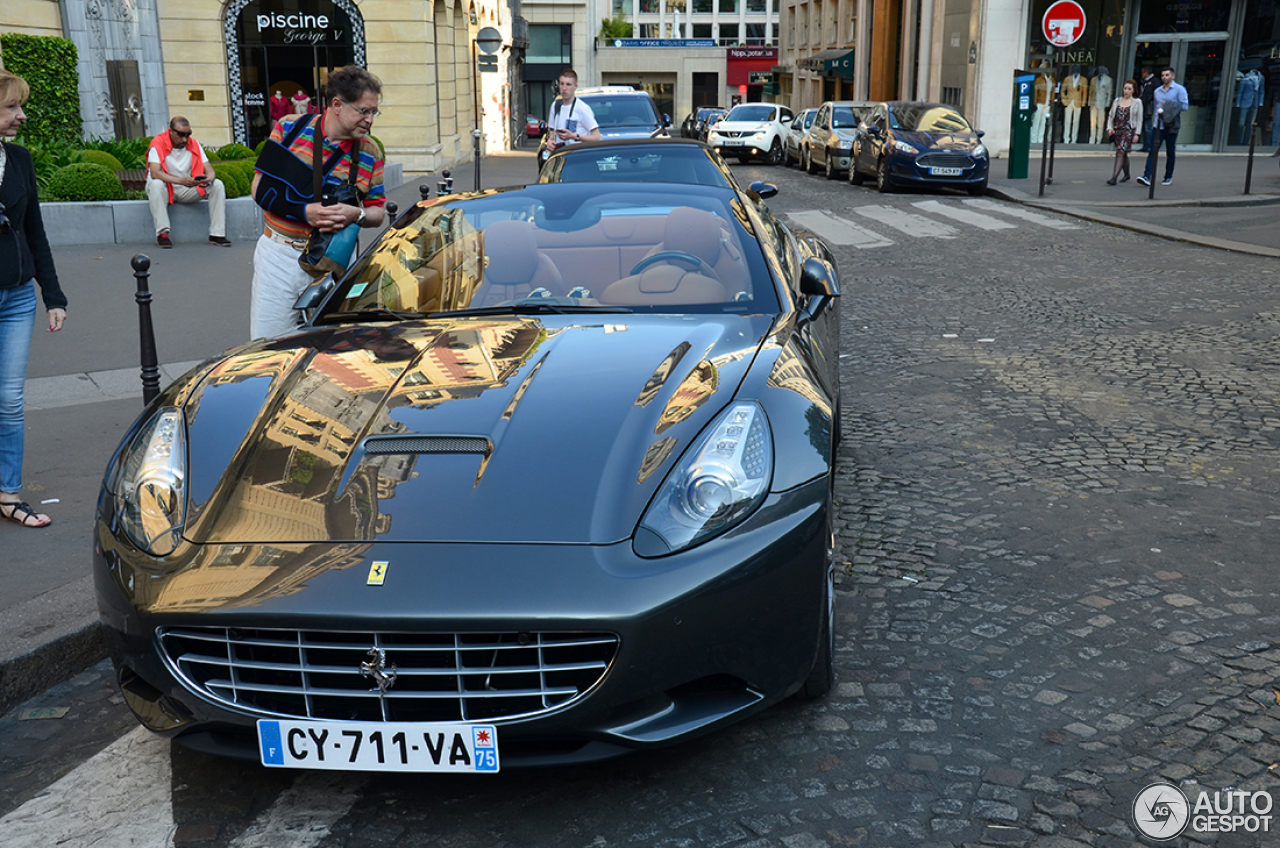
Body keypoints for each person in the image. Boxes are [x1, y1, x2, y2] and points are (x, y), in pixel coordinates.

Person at [250, 65, 387, 339]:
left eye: (374, 112)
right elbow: (259, 189)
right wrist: (303, 212)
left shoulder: (371, 152)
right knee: (268, 347)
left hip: (334, 262)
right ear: (337, 104)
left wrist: (356, 214)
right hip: (280, 256)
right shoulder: (289, 128)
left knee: (330, 349)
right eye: (364, 111)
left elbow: (377, 213)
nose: (370, 120)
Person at [0, 70, 67, 528]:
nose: (20, 115)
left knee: (9, 400)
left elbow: (35, 231)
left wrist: (53, 295)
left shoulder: (19, 159)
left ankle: (7, 494)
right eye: (11, 107)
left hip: (19, 296)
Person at [145, 117, 230, 248]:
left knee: (217, 185)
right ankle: (163, 234)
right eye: (181, 135)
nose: (185, 139)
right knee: (155, 184)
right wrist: (180, 181)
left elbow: (210, 171)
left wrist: (209, 179)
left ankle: (217, 234)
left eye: (188, 134)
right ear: (171, 132)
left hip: (186, 188)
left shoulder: (194, 144)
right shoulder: (158, 143)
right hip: (165, 189)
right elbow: (155, 173)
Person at [1138, 66, 1190, 187]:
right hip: (1158, 125)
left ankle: (1168, 176)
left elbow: (1185, 106)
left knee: (1170, 151)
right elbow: (1157, 109)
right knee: (1152, 151)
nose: (1164, 77)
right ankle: (1147, 176)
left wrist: (1169, 105)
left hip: (1171, 125)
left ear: (1173, 76)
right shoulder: (1157, 91)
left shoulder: (1179, 89)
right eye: (1162, 75)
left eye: (1167, 75)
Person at [544, 69, 602, 153]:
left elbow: (597, 138)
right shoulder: (555, 105)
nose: (564, 88)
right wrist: (550, 141)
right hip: (559, 155)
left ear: (575, 86)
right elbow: (552, 131)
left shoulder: (582, 108)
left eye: (568, 85)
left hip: (577, 156)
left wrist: (574, 136)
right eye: (562, 84)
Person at [1104, 79, 1143, 185]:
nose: (1126, 91)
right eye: (1125, 88)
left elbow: (1139, 119)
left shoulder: (1137, 102)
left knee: (1120, 151)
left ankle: (1114, 177)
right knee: (1123, 152)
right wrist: (1109, 128)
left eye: (1129, 89)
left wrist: (1137, 134)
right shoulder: (1117, 101)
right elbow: (1111, 116)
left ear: (1133, 90)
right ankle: (1127, 174)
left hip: (1128, 130)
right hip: (1117, 129)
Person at [1137, 67, 1158, 151]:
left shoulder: (1154, 81)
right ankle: (1145, 145)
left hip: (1149, 107)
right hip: (1143, 106)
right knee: (1143, 127)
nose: (1142, 74)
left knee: (1147, 127)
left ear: (1146, 73)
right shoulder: (1143, 82)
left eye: (1143, 72)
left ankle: (1149, 146)